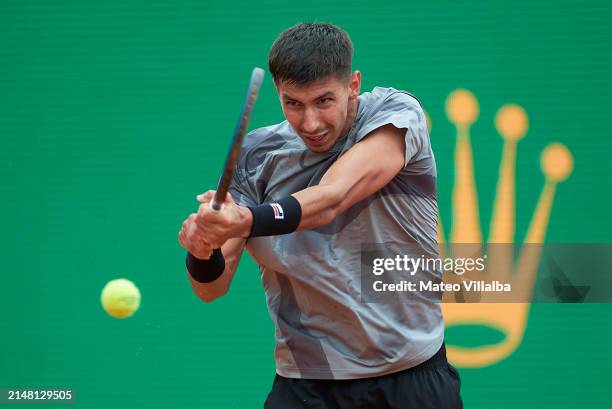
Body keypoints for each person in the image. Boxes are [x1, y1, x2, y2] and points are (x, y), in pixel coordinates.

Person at [178, 22, 462, 408]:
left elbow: (333, 196)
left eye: (323, 101)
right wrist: (202, 247)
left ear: (353, 85)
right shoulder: (258, 157)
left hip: (408, 380)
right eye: (293, 103)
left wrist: (246, 220)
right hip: (305, 386)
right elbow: (210, 288)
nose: (310, 123)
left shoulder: (395, 113)